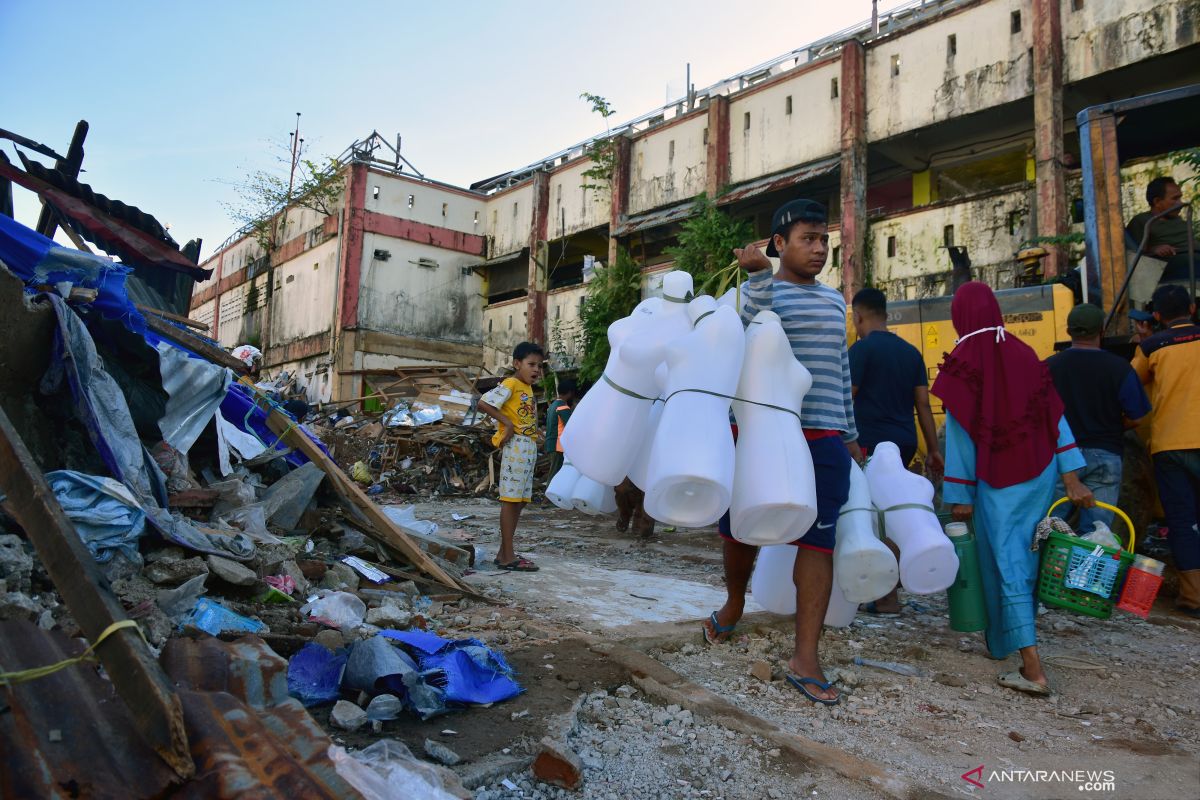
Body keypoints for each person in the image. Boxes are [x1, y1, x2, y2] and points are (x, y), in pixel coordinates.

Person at [703, 198, 861, 707]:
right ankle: (732, 605)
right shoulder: (757, 291)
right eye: (807, 239)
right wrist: (757, 277)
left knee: (819, 542)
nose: (818, 249)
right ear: (779, 243)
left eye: (824, 240)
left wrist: (851, 433)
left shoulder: (836, 301)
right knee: (739, 527)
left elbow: (840, 369)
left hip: (821, 435)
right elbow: (746, 332)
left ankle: (805, 656)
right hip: (760, 433)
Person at [933, 282, 1095, 696]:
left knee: (1006, 562)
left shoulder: (962, 363)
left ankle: (1032, 666)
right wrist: (1071, 475)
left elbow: (961, 437)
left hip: (993, 481)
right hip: (1039, 475)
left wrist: (959, 496)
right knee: (1021, 558)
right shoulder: (1025, 354)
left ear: (960, 316)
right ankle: (1003, 642)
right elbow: (1055, 418)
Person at [1046, 303, 1150, 531]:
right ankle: (1087, 568)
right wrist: (1113, 427)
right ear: (1101, 331)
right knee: (1097, 533)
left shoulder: (1047, 368)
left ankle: (1048, 566)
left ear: (1068, 332)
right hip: (1105, 455)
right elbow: (1138, 417)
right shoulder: (1119, 368)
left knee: (1047, 529)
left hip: (1059, 460)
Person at [1131, 284, 1200, 616]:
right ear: (1192, 310)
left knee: (1182, 520)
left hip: (1170, 447)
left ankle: (1193, 597)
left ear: (1156, 316)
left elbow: (1129, 388)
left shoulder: (1152, 346)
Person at [849, 287, 943, 473]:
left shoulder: (860, 350)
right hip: (905, 443)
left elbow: (846, 397)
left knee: (872, 498)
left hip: (870, 443)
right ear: (885, 315)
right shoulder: (912, 353)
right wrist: (933, 450)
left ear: (857, 317)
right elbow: (923, 404)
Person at [477, 341, 545, 572]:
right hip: (516, 448)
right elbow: (484, 403)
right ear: (517, 364)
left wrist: (536, 433)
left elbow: (521, 417)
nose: (536, 369)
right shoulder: (511, 383)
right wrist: (506, 423)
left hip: (528, 448)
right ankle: (508, 556)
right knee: (510, 502)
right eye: (531, 364)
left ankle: (504, 553)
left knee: (520, 502)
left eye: (539, 365)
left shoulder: (527, 388)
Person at [1126, 177, 1196, 282]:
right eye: (1175, 199)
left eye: (1180, 198)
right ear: (1157, 201)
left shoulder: (1179, 220)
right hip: (1177, 268)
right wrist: (1153, 249)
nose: (1180, 203)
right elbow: (1134, 256)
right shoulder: (1142, 221)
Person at [544, 378, 576, 481]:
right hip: (558, 446)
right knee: (555, 476)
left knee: (555, 474)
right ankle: (548, 497)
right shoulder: (563, 407)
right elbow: (571, 427)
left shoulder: (553, 406)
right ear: (570, 393)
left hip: (550, 444)